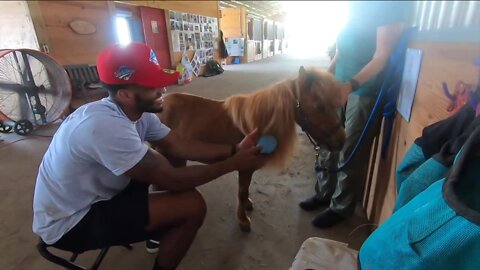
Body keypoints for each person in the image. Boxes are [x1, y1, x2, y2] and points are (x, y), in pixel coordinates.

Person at [33, 42, 266, 270]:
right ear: (125, 94)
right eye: (152, 86)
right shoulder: (104, 127)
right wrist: (233, 164)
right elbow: (174, 178)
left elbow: (180, 145)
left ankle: (155, 228)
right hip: (70, 221)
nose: (163, 90)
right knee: (193, 206)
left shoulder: (137, 112)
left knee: (158, 169)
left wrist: (235, 149)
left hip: (98, 195)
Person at [299, 1, 412, 228]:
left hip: (364, 90)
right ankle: (323, 192)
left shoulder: (391, 7)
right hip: (337, 86)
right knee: (326, 141)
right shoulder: (356, 9)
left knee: (350, 148)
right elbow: (341, 52)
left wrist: (350, 86)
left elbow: (382, 56)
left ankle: (341, 207)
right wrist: (324, 78)